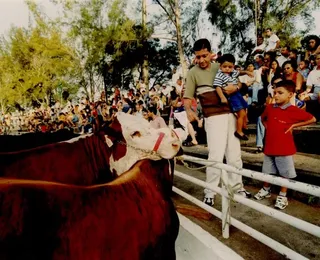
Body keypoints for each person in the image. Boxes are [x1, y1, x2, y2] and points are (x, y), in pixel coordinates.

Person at [183, 38, 251, 207]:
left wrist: (236, 87)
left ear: (211, 53)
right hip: (213, 117)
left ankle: (237, 187)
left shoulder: (221, 66)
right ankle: (210, 191)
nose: (202, 60)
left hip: (231, 115)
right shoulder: (193, 72)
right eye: (198, 57)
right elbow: (187, 97)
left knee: (234, 154)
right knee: (215, 156)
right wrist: (189, 111)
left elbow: (241, 84)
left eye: (204, 56)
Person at [254, 80, 316, 209]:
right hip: (270, 146)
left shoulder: (293, 110)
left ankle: (283, 195)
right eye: (275, 92)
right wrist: (268, 127)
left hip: (284, 148)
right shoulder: (270, 107)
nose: (276, 95)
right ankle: (266, 189)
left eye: (280, 93)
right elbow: (262, 118)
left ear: (290, 95)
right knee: (267, 172)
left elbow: (312, 119)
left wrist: (294, 125)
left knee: (285, 173)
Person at [213, 54, 249, 140]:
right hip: (232, 96)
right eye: (224, 66)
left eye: (230, 67)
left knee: (245, 108)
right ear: (220, 66)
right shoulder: (219, 75)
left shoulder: (233, 73)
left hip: (238, 94)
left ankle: (244, 125)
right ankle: (239, 131)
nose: (227, 69)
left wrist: (247, 72)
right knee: (241, 113)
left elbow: (239, 72)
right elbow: (217, 87)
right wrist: (222, 97)